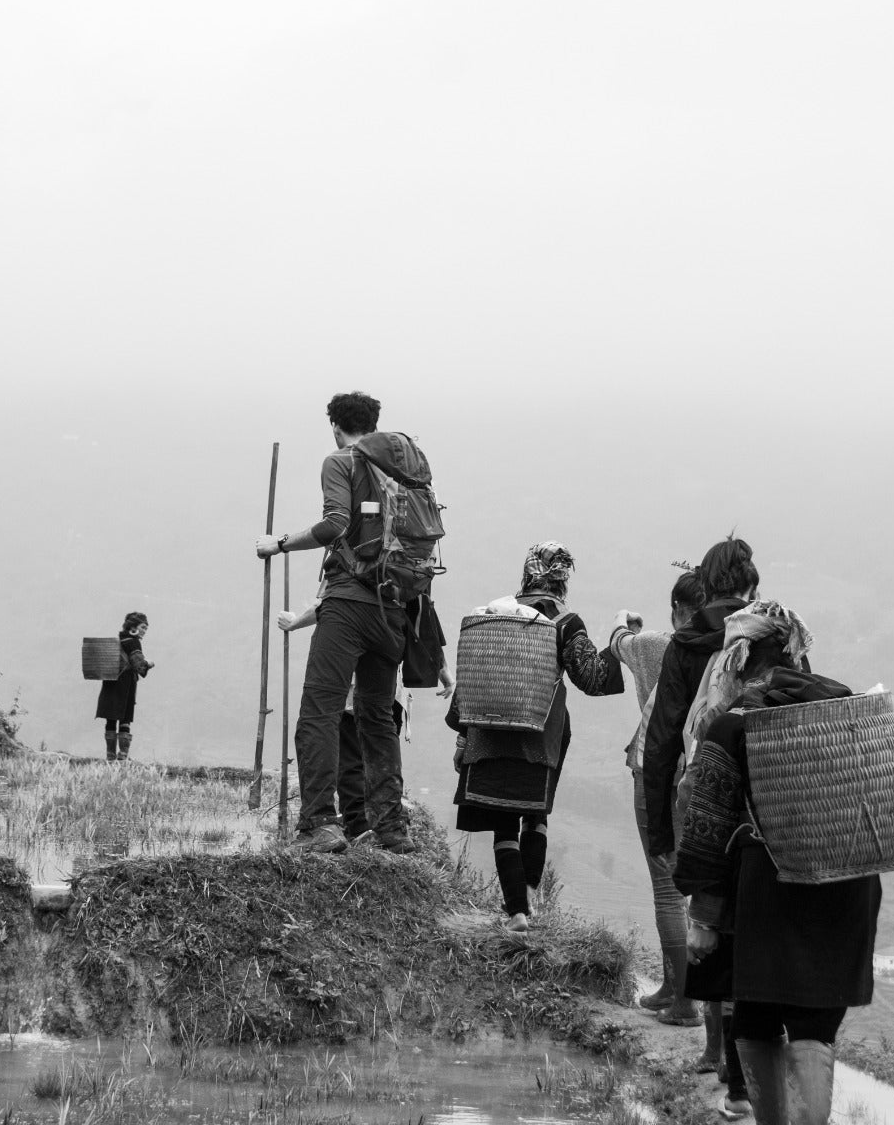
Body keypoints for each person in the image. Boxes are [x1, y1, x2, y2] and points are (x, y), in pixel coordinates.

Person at [674, 620, 881, 1125]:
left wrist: (704, 916)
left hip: (770, 877)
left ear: (737, 663)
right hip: (852, 878)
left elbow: (707, 823)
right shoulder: (846, 707)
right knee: (816, 1015)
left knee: (759, 1010)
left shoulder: (734, 723)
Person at [256, 392, 413, 855]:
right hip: (396, 609)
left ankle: (320, 825)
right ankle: (391, 830)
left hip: (348, 604)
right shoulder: (404, 470)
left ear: (335, 425)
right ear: (375, 422)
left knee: (319, 712)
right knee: (377, 718)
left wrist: (279, 544)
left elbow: (335, 525)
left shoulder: (341, 461)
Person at [445, 542, 623, 930]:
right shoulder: (565, 622)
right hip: (540, 736)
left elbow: (473, 676)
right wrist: (620, 642)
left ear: (527, 573)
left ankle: (517, 912)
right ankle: (532, 898)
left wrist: (462, 736)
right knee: (535, 816)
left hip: (487, 733)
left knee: (503, 824)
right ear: (562, 580)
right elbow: (592, 678)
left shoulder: (494, 614)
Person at [640, 536, 760, 1072]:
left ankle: (714, 1051)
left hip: (705, 796)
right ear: (752, 586)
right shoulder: (771, 638)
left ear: (706, 586)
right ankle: (746, 1064)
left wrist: (663, 836)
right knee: (749, 921)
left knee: (705, 916)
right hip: (766, 801)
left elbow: (662, 740)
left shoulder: (685, 647)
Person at [608, 568, 706, 1026]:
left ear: (677, 610)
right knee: (697, 890)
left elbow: (617, 643)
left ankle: (685, 1002)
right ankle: (674, 986)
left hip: (656, 768)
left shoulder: (656, 644)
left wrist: (625, 622)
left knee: (667, 890)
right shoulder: (725, 651)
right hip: (704, 774)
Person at [279, 597, 453, 841]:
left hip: (348, 671)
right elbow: (422, 609)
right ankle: (390, 827)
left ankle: (336, 825)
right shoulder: (409, 564)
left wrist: (294, 622)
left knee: (340, 745)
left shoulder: (349, 562)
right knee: (379, 730)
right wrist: (442, 667)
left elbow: (328, 601)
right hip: (392, 663)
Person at [94, 611, 152, 761]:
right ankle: (123, 756)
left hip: (111, 682)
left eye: (146, 628)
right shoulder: (133, 642)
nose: (144, 631)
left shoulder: (119, 640)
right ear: (133, 627)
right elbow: (139, 665)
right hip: (126, 683)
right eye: (143, 627)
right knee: (125, 718)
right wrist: (149, 664)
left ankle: (110, 757)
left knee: (111, 718)